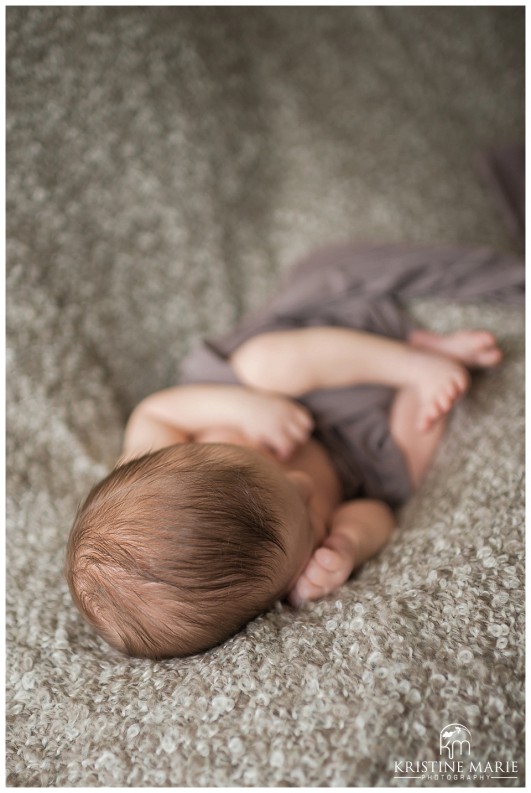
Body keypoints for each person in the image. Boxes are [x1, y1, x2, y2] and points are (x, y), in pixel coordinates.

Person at [66, 256, 504, 659]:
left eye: (274, 472)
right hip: (356, 459)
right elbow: (376, 513)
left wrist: (243, 409)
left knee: (264, 361)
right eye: (311, 519)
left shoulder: (153, 459)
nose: (304, 483)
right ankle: (430, 379)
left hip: (279, 393)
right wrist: (347, 544)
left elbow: (156, 409)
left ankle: (409, 362)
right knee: (403, 472)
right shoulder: (284, 569)